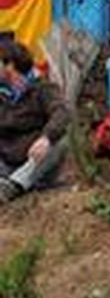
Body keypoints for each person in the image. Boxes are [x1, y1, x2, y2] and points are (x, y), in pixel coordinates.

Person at [0, 42, 69, 204]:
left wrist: (46, 138)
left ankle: (14, 185)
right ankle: (7, 184)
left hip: (34, 164)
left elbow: (62, 112)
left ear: (9, 65)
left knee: (59, 141)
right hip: (6, 161)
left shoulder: (43, 87)